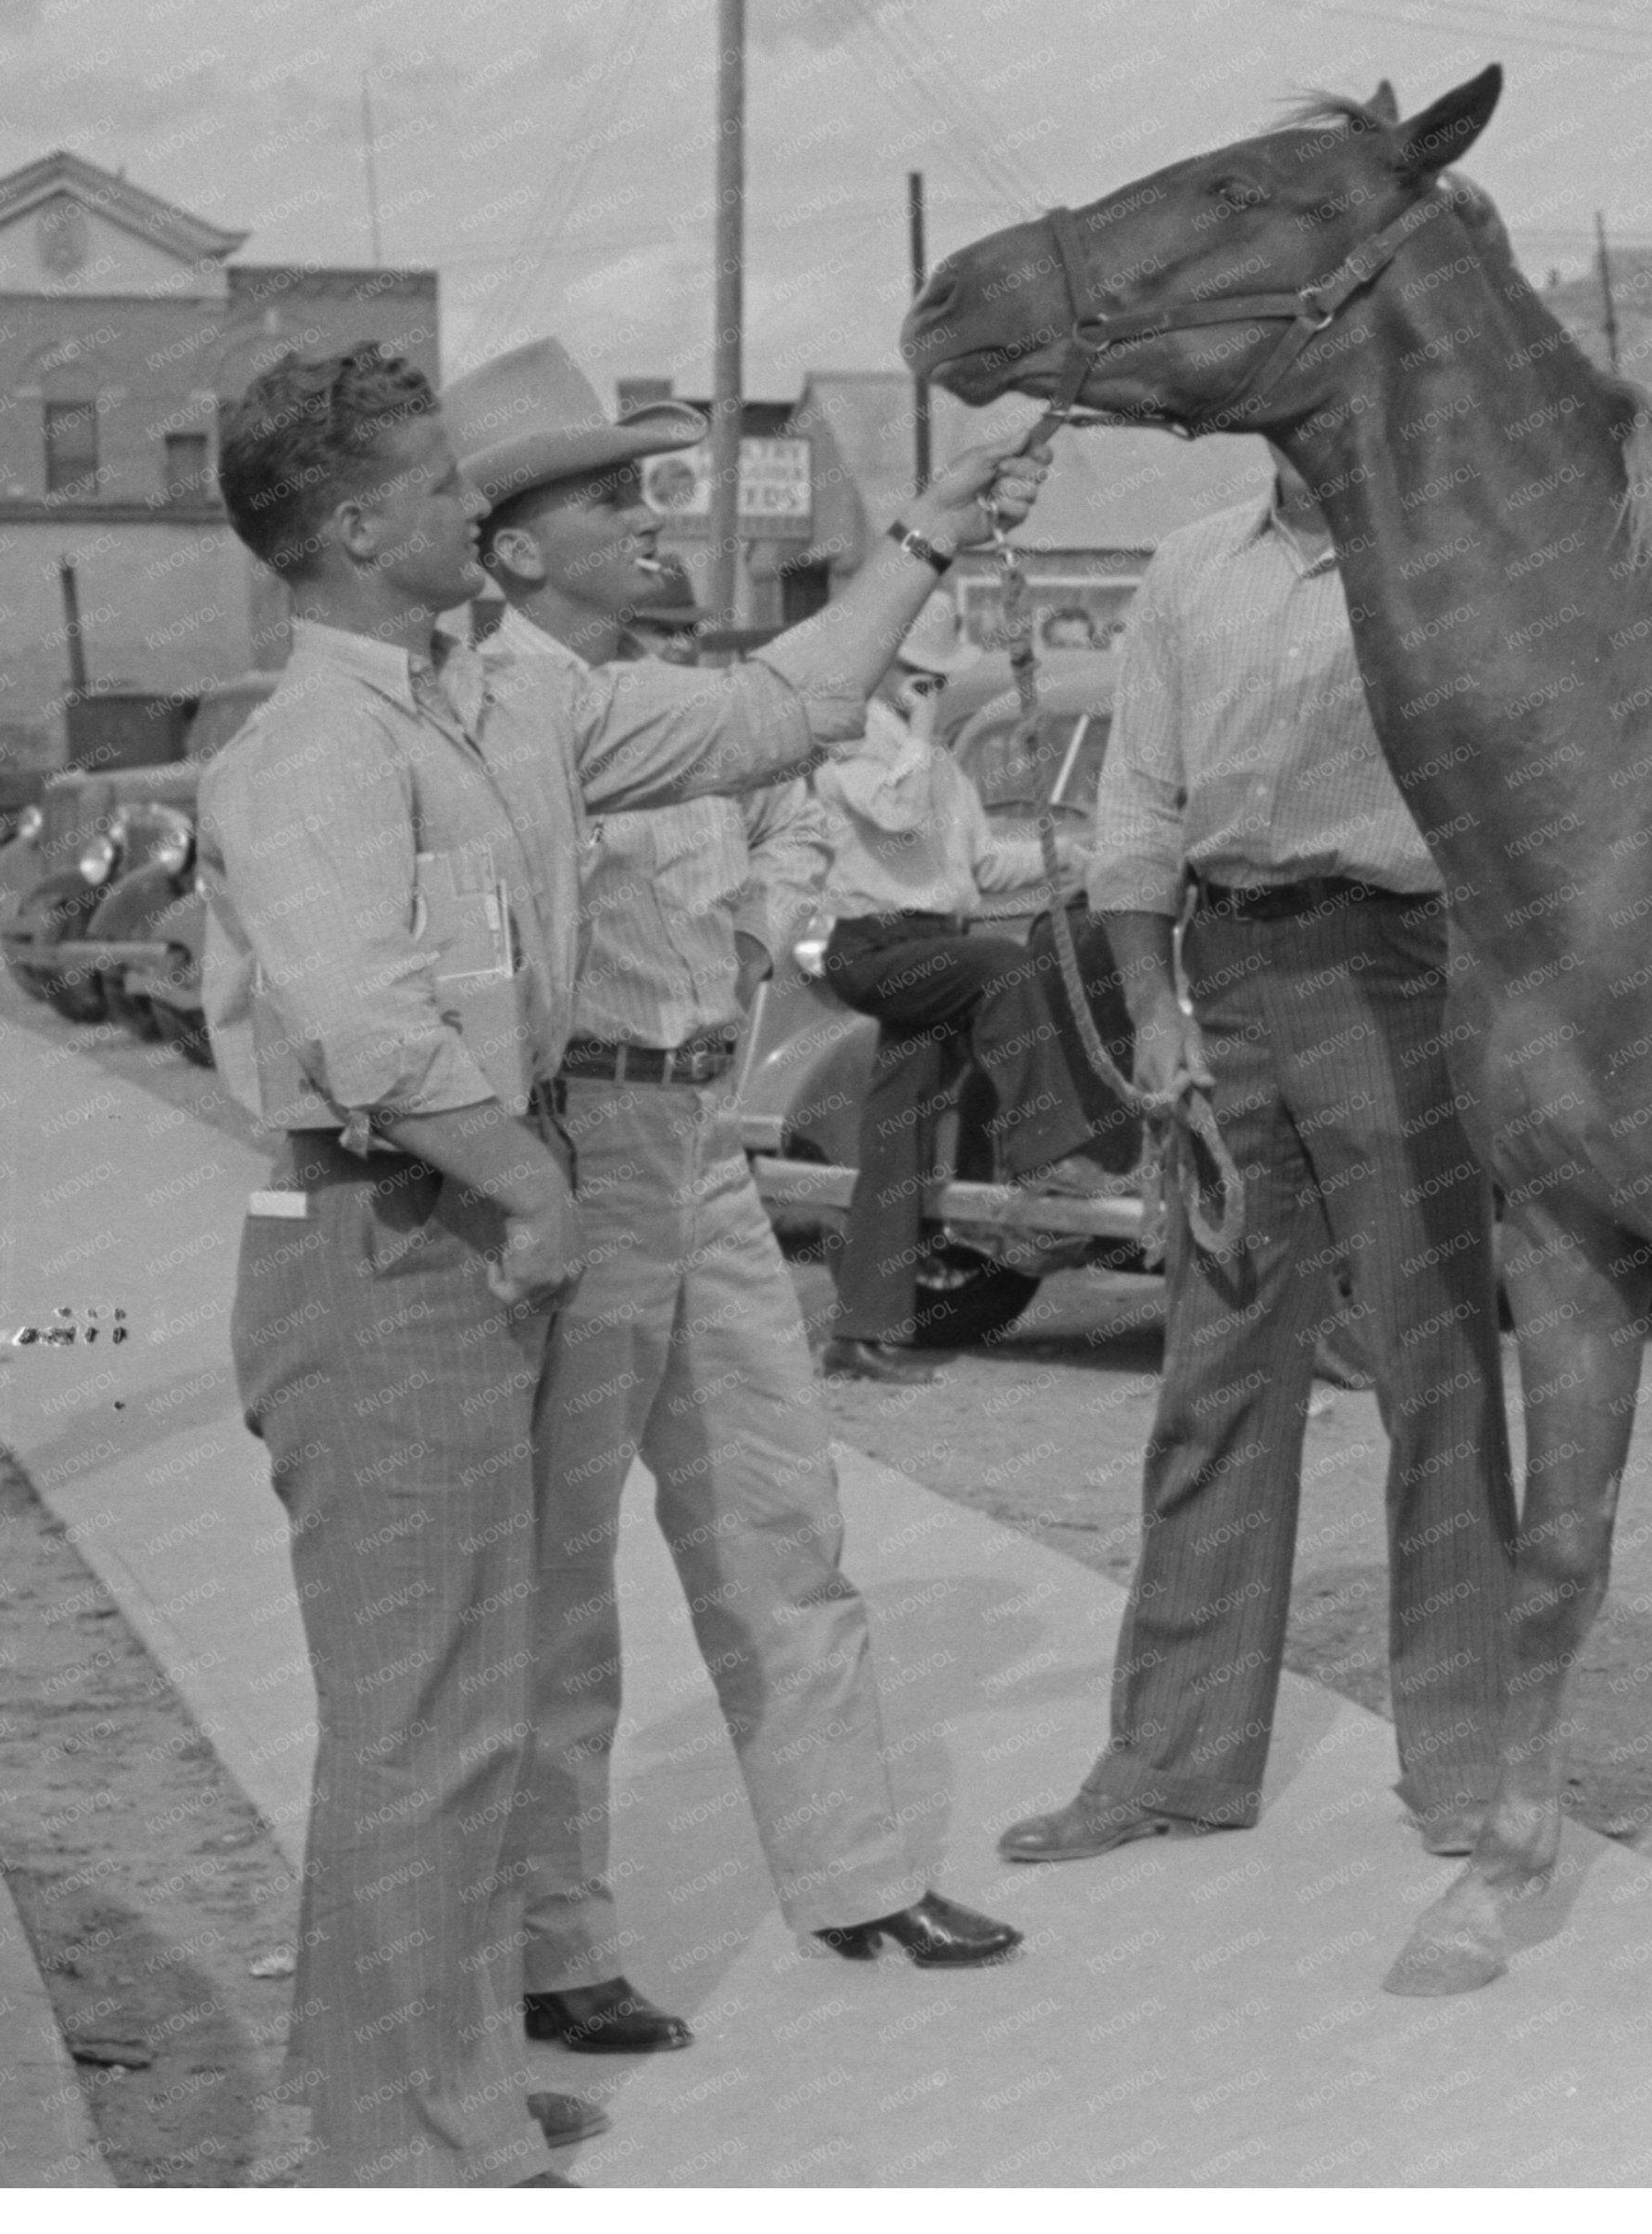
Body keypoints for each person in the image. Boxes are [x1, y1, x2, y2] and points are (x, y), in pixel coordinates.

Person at [198, 337, 1041, 2187]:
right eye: (437, 490)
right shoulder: (316, 749)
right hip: (385, 1225)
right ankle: (419, 2142)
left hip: (462, 1218)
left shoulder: (498, 713)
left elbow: (766, 717)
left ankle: (432, 2104)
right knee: (427, 1720)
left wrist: (919, 538)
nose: (468, 517)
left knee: (444, 1712)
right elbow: (362, 1025)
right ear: (356, 530)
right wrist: (536, 1186)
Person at [444, 349, 1022, 2073]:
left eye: (645, 489)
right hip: (575, 1143)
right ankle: (555, 1944)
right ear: (506, 551)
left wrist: (766, 917)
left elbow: (787, 820)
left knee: (781, 1522)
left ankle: (858, 1875)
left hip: (700, 1136)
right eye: (604, 499)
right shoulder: (489, 707)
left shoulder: (673, 698)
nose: (647, 522)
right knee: (562, 1580)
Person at [995, 447, 1516, 1868]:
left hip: (1401, 976)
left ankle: (1471, 1758)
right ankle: (1171, 1758)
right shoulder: (1186, 568)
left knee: (1438, 1371)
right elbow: (1137, 803)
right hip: (1222, 978)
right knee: (1214, 1379)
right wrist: (1152, 1009)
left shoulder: (1446, 557)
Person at [808, 595, 1135, 1385]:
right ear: (883, 672)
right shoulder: (852, 751)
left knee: (897, 1145)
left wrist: (1082, 859)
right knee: (1002, 966)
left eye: (933, 679)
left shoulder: (938, 763)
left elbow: (983, 870)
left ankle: (860, 1330)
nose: (927, 688)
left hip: (929, 950)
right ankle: (1048, 1153)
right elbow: (899, 810)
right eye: (917, 676)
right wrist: (919, 733)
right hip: (875, 947)